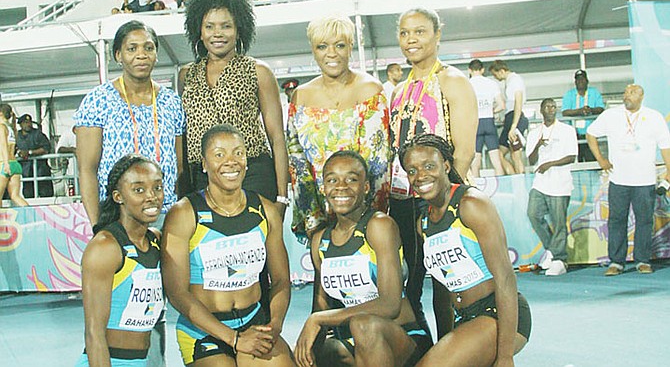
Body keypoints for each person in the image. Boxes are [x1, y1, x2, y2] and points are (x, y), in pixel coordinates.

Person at [161, 124, 295, 366]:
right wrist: (234, 340)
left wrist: (273, 327)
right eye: (219, 154)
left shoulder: (265, 210)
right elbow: (177, 293)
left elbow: (281, 280)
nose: (231, 161)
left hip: (254, 322)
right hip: (204, 332)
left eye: (238, 153)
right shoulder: (184, 213)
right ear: (204, 163)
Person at [399, 133, 531, 367]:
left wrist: (505, 356)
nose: (420, 176)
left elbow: (506, 278)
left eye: (429, 166)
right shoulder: (424, 222)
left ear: (446, 165)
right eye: (412, 170)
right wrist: (445, 343)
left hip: (497, 314)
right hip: (465, 319)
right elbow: (442, 293)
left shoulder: (471, 204)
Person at [294, 151, 432, 367]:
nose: (341, 186)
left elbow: (390, 305)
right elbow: (320, 307)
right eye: (332, 180)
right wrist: (307, 352)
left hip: (403, 338)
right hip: (358, 342)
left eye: (351, 179)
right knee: (321, 352)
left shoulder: (379, 226)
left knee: (363, 325)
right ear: (324, 188)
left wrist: (319, 320)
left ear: (366, 187)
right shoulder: (320, 241)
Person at [390, 7, 477, 338]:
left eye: (420, 32)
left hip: (441, 197)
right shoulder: (399, 90)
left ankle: (453, 348)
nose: (411, 40)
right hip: (403, 197)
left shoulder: (452, 81)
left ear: (437, 35)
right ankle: (420, 348)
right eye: (404, 33)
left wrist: (444, 204)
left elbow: (465, 150)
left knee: (446, 282)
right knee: (408, 283)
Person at [180, 0, 289, 215]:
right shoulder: (186, 75)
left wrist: (282, 196)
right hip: (203, 179)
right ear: (199, 31)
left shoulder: (258, 71)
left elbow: (277, 137)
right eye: (209, 27)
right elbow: (183, 135)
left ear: (239, 30)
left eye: (226, 26)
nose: (217, 34)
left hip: (253, 174)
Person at [287, 14, 391, 242]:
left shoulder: (370, 90)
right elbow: (298, 164)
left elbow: (378, 166)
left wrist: (369, 219)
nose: (331, 53)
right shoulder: (300, 96)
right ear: (313, 50)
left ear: (351, 47)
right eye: (322, 46)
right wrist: (314, 221)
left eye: (340, 45)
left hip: (364, 216)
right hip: (320, 216)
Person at [75, 20, 185, 228]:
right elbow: (87, 169)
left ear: (156, 54)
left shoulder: (172, 102)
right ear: (118, 55)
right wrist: (98, 226)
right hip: (118, 216)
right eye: (132, 48)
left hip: (165, 213)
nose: (141, 55)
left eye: (148, 48)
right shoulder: (98, 100)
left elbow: (179, 167)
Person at [76, 154, 165, 367]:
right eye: (138, 190)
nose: (151, 196)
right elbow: (93, 333)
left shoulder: (156, 241)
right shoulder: (105, 247)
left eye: (157, 187)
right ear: (118, 196)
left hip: (141, 361)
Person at [586, 84, 670, 276]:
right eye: (625, 92)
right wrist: (601, 159)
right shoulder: (611, 115)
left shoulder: (654, 117)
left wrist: (669, 173)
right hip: (619, 179)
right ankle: (616, 262)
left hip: (645, 180)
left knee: (644, 221)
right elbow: (591, 134)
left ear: (641, 97)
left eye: (632, 93)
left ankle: (642, 260)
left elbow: (666, 146)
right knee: (616, 220)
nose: (627, 96)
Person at [526, 98, 577, 276]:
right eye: (548, 106)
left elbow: (572, 156)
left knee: (559, 222)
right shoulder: (534, 132)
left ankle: (560, 259)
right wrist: (538, 145)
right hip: (540, 183)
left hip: (560, 183)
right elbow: (530, 160)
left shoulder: (567, 130)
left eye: (554, 106)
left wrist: (551, 163)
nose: (551, 109)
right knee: (533, 214)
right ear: (541, 110)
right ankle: (552, 251)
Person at [489, 59, 529, 175]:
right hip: (510, 118)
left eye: (495, 74)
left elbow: (518, 102)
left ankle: (520, 180)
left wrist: (513, 126)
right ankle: (514, 178)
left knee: (516, 154)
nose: (495, 77)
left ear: (501, 71)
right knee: (499, 154)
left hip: (515, 118)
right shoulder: (510, 81)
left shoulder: (515, 80)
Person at [467, 59, 505, 177]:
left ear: (469, 70)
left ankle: (477, 191)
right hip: (489, 121)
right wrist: (491, 110)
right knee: (496, 161)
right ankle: (502, 188)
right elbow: (501, 105)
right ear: (482, 70)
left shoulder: (467, 84)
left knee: (475, 162)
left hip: (475, 123)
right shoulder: (491, 83)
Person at [561, 69, 605, 162]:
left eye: (582, 79)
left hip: (591, 134)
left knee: (592, 162)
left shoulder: (594, 92)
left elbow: (601, 108)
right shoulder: (569, 94)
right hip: (575, 135)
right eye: (578, 80)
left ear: (587, 81)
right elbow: (565, 112)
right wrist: (579, 111)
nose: (580, 81)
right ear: (575, 82)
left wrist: (591, 110)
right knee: (577, 162)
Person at [16, 113, 54, 198]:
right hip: (26, 172)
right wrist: (19, 152)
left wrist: (30, 152)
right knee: (28, 195)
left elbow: (46, 148)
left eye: (29, 122)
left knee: (46, 195)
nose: (28, 124)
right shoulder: (17, 136)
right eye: (25, 122)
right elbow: (12, 148)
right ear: (21, 124)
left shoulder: (37, 134)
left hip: (41, 170)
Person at [0, 104, 28, 207]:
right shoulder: (11, 128)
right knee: (15, 196)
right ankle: (32, 214)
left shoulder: (1, 127)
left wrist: (6, 164)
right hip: (15, 163)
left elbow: (3, 144)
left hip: (4, 163)